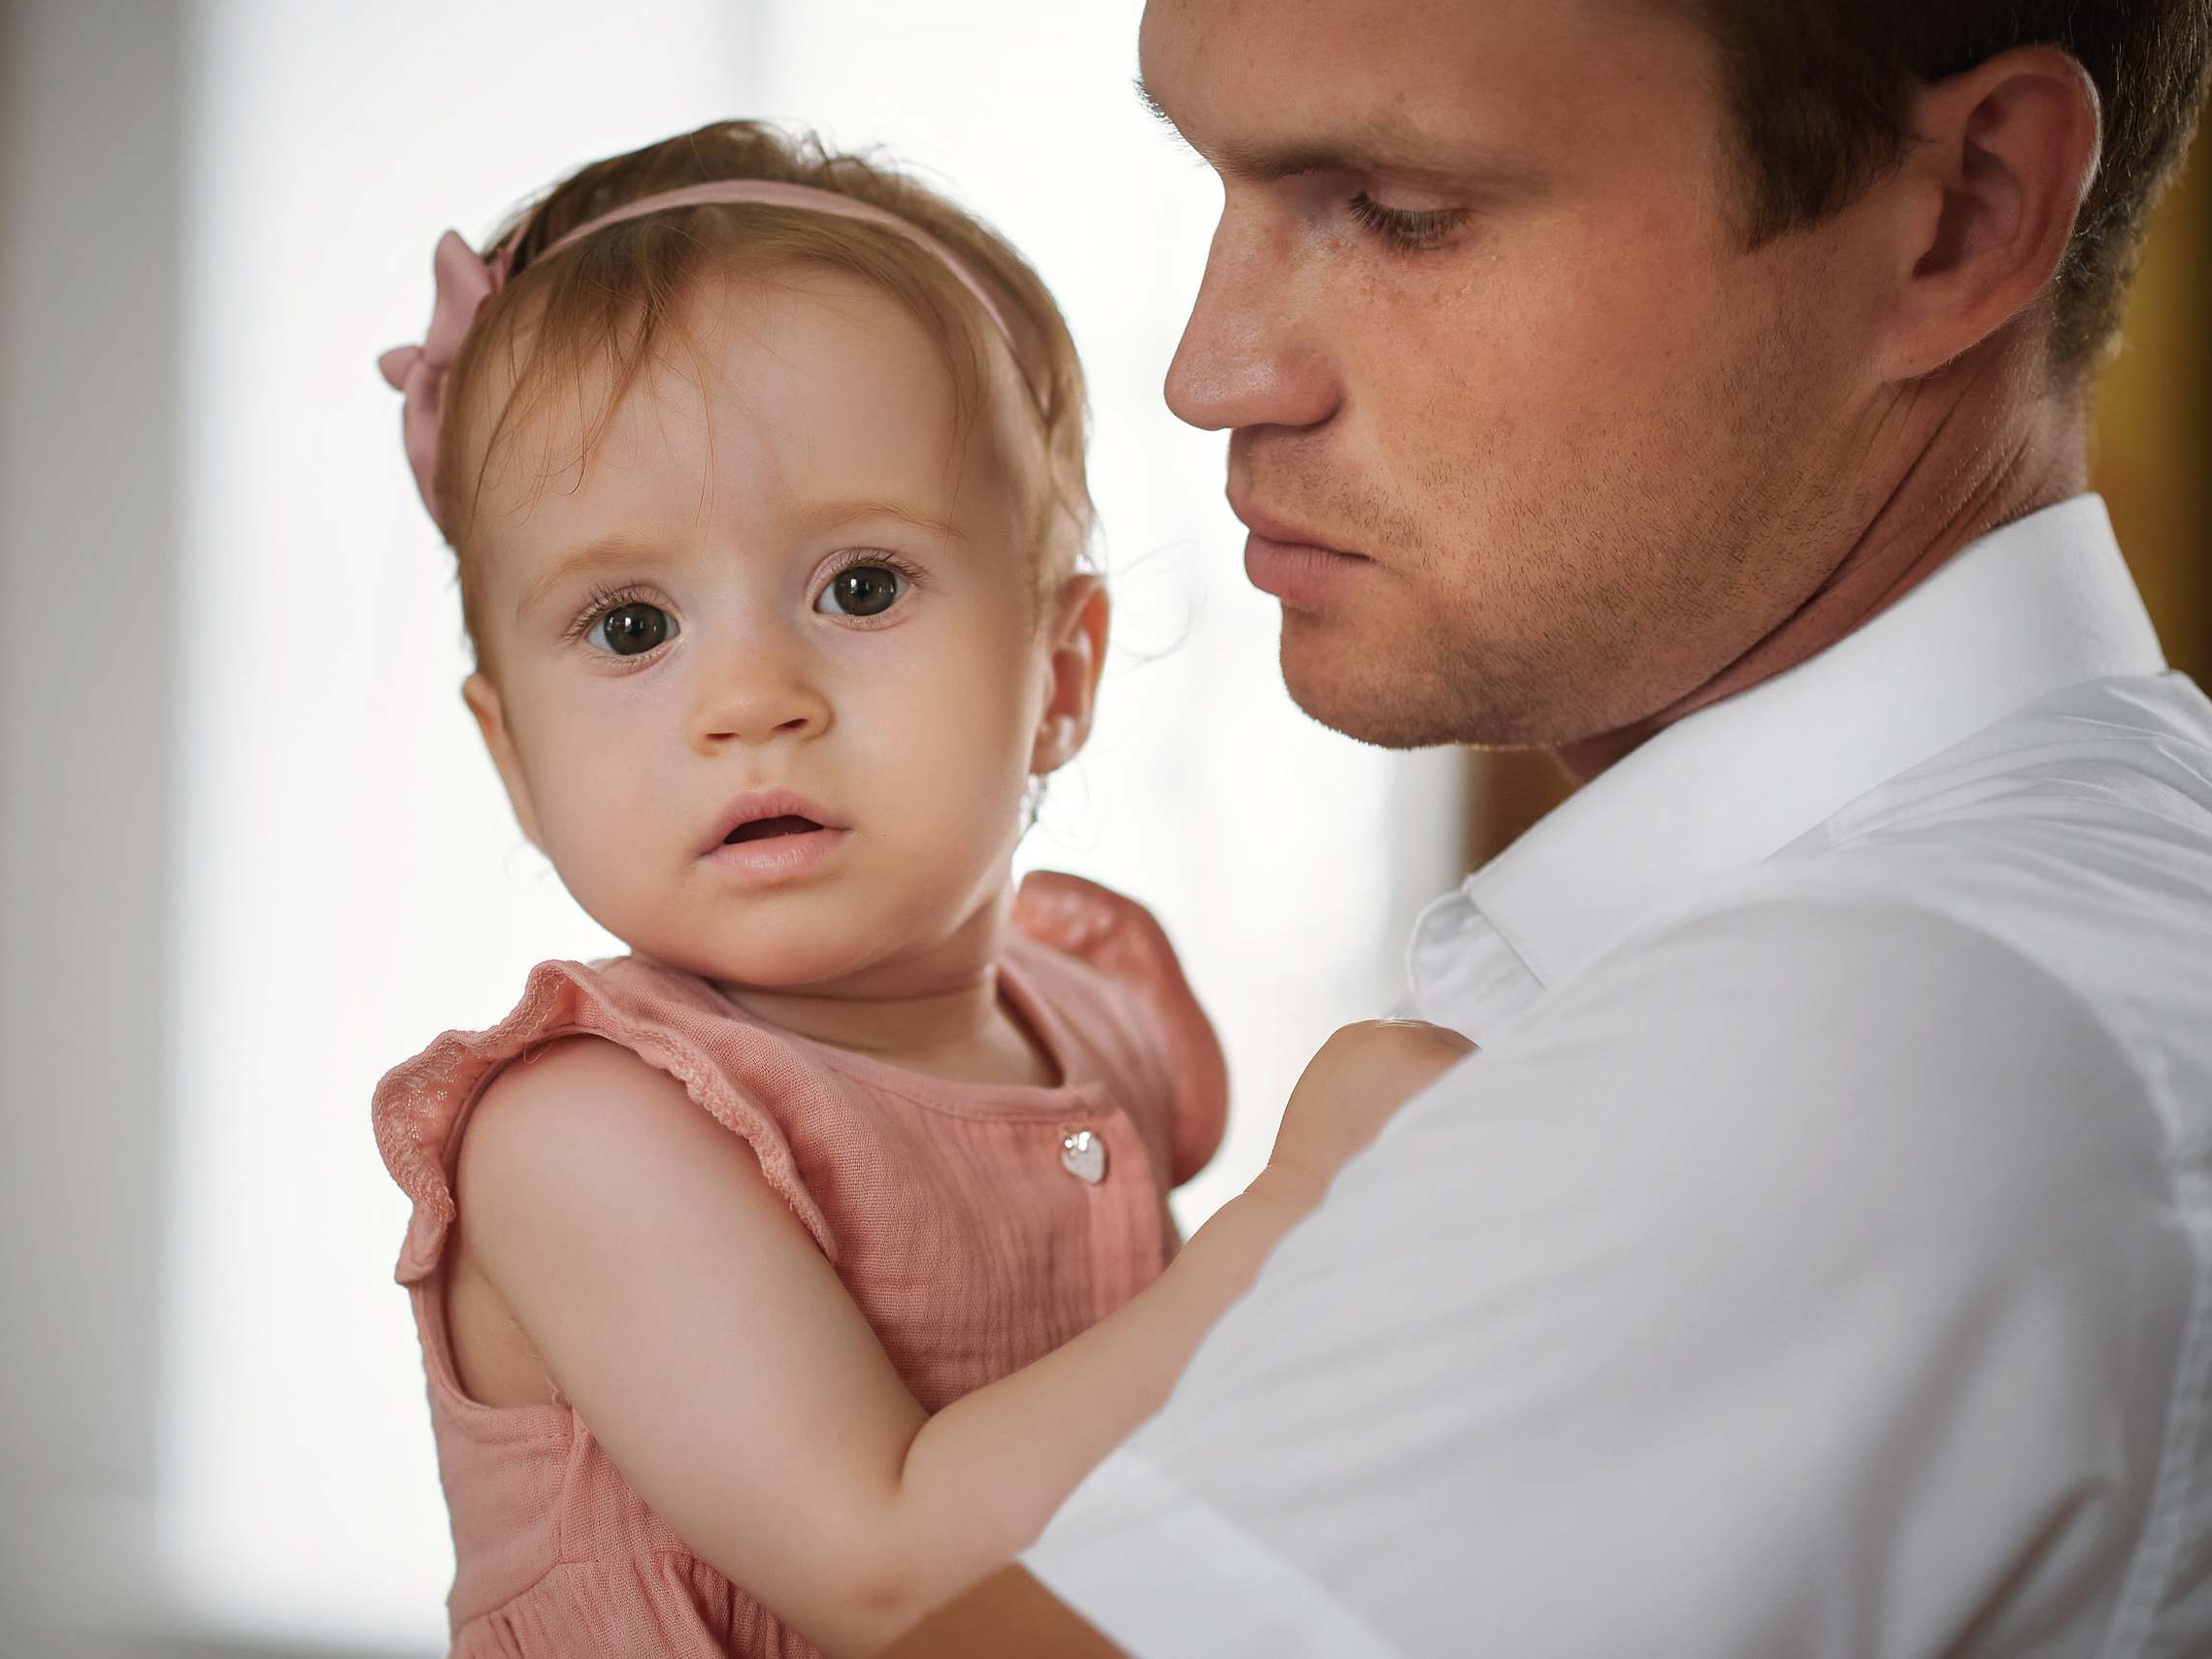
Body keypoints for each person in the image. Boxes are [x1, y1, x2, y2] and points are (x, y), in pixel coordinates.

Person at [888, 1, 2212, 1655]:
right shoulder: (2080, 890)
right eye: (1212, 177)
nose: (1210, 371)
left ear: (1966, 214)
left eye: (1397, 212)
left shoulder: (1857, 1040)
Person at [367, 123, 1469, 1659]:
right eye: (630, 626)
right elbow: (884, 1563)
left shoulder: (1096, 1010)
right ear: (511, 754)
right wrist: (1293, 1213)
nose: (750, 696)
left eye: (860, 587)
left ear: (1061, 673)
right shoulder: (581, 1136)